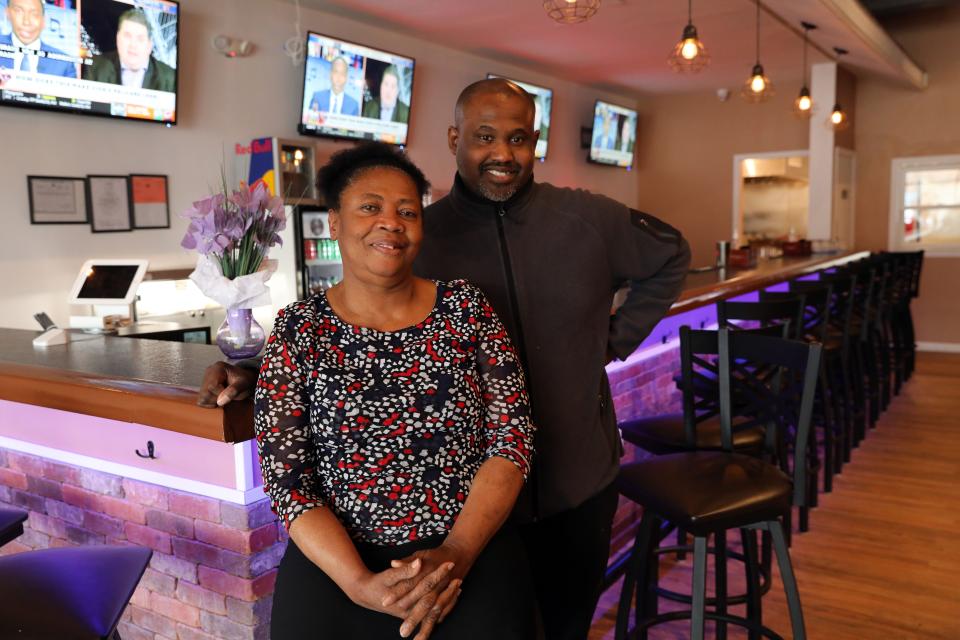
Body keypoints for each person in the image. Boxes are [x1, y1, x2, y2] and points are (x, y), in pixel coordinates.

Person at [200, 78, 690, 639]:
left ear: (536, 143)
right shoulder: (419, 234)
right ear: (456, 138)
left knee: (563, 627)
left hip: (569, 486)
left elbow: (672, 256)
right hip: (462, 520)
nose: (503, 152)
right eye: (485, 136)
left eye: (519, 138)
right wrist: (253, 373)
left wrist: (608, 341)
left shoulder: (584, 219)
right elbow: (358, 344)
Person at [256, 142, 537, 640]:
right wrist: (359, 582)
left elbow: (511, 439)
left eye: (407, 211)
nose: (391, 222)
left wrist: (456, 554)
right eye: (370, 207)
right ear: (335, 223)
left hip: (465, 553)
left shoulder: (467, 310)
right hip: (338, 565)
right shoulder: (299, 328)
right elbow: (288, 480)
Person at [83, 8, 175, 92]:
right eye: (127, 36)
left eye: (140, 39)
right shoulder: (95, 67)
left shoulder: (169, 77)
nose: (133, 45)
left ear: (149, 46)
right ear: (118, 39)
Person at [0, 0, 77, 78]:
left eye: (35, 14)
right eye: (19, 11)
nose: (26, 22)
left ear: (44, 20)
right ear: (7, 13)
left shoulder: (64, 63)